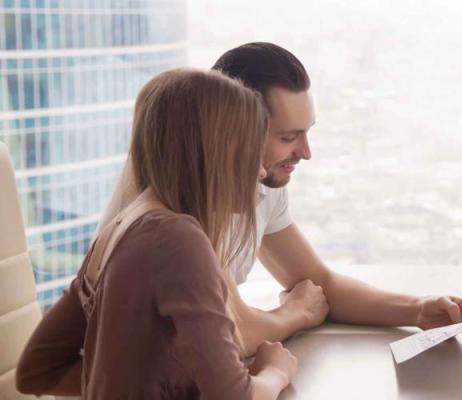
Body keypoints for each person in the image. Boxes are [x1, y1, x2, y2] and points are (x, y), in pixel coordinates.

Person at [98, 42, 462, 355]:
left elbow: (315, 282)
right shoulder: (181, 205)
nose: (306, 152)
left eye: (306, 133)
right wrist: (296, 315)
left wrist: (418, 310)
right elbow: (236, 332)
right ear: (232, 132)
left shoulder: (262, 185)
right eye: (287, 137)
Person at [17, 69, 298, 399]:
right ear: (220, 151)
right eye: (253, 153)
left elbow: (37, 372)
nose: (261, 170)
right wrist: (275, 372)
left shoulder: (118, 231)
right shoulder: (178, 240)